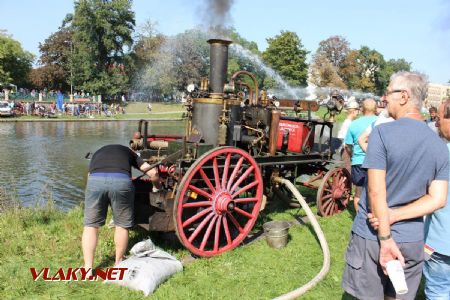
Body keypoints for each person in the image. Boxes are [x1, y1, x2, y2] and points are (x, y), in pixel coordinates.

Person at [342, 71, 449, 300]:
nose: (384, 97)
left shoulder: (381, 133)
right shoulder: (440, 145)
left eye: (389, 92)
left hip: (372, 236)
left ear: (404, 96)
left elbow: (376, 191)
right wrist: (395, 215)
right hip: (412, 240)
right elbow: (438, 199)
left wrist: (385, 237)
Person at [368, 98, 450, 299]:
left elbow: (436, 199)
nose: (436, 123)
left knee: (440, 291)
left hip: (443, 243)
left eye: (440, 118)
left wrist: (391, 215)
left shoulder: (442, 152)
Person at [82, 144, 160, 273]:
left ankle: (88, 269)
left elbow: (90, 175)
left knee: (90, 225)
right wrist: (157, 188)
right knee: (121, 225)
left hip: (95, 181)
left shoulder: (97, 153)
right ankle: (118, 263)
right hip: (121, 182)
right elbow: (153, 172)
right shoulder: (129, 153)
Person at [344, 98, 378, 211]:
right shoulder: (381, 122)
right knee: (375, 193)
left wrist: (352, 154)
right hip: (376, 163)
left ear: (362, 109)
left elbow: (348, 145)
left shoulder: (354, 124)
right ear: (376, 109)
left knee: (358, 193)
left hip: (358, 162)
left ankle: (358, 219)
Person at [336, 101, 359, 171]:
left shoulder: (350, 122)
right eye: (357, 110)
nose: (358, 113)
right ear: (353, 111)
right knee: (348, 171)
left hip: (348, 149)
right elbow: (341, 136)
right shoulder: (348, 123)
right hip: (347, 149)